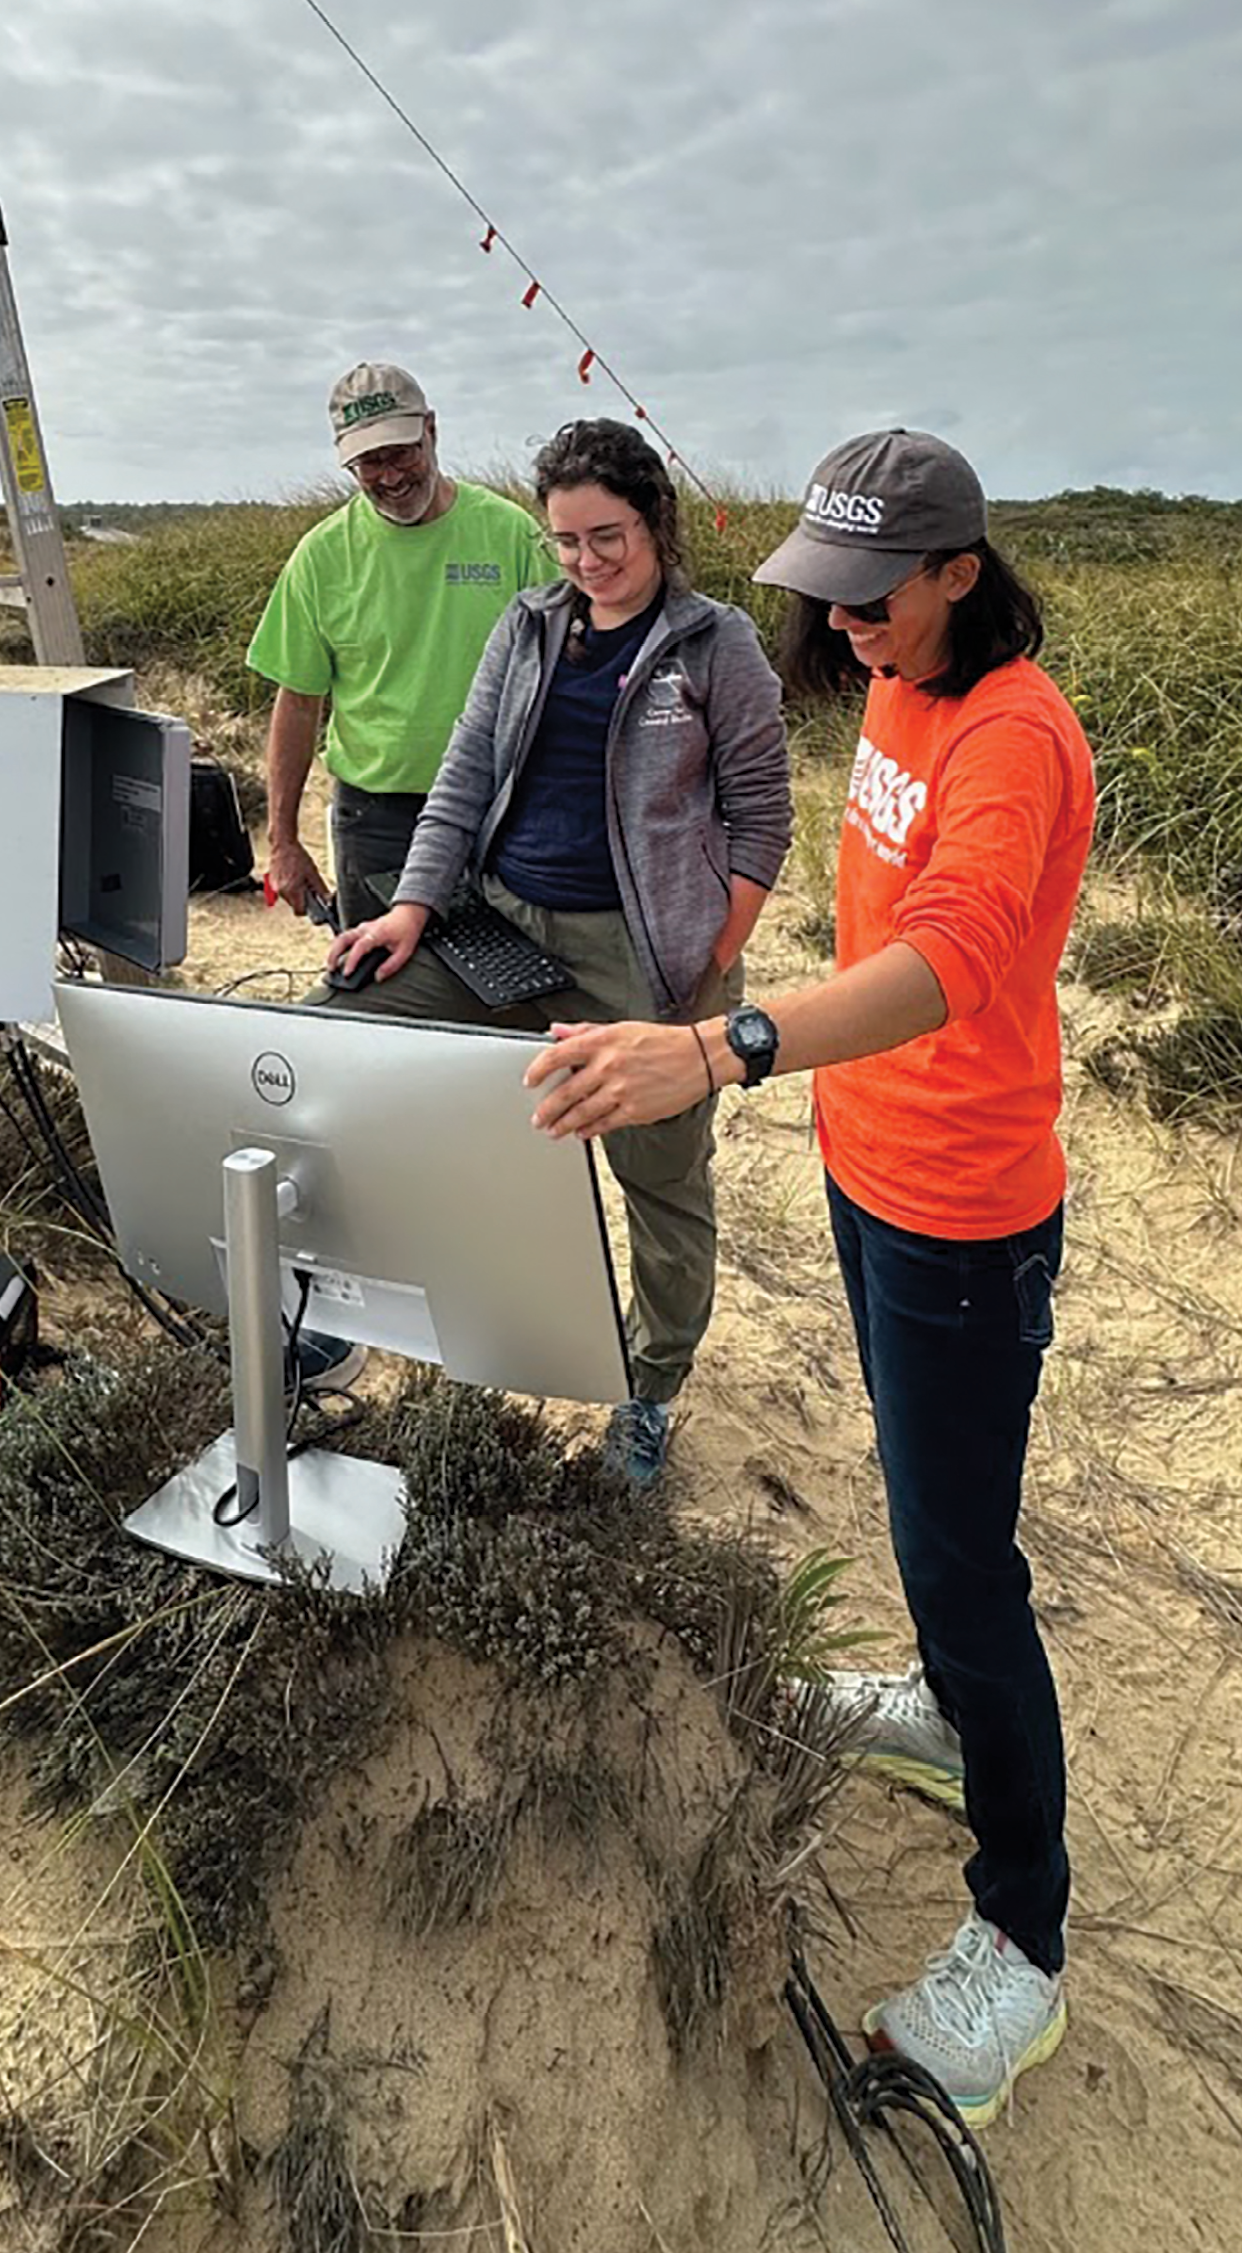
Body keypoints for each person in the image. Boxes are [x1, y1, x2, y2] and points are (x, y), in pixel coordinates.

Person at [521, 427, 1094, 2128]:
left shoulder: (1011, 731)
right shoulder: (906, 695)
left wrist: (723, 1048)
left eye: (871, 598)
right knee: (927, 1509)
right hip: (872, 1170)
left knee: (962, 1556)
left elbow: (952, 960)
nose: (842, 626)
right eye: (822, 597)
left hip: (968, 1215)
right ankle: (931, 1705)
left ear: (957, 576)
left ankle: (1025, 1938)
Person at [328, 415, 793, 1485]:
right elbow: (464, 777)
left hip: (644, 954)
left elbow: (764, 817)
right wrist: (411, 909)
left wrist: (705, 962)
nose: (587, 563)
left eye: (608, 539)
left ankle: (651, 1386)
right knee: (343, 1030)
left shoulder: (716, 645)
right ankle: (366, 1309)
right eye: (567, 542)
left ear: (658, 523)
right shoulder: (529, 625)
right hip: (498, 925)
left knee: (660, 1175)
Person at [249, 362, 548, 929]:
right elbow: (298, 702)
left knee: (511, 988)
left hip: (501, 809)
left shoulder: (511, 535)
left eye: (400, 453)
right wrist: (283, 841)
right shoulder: (322, 556)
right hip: (377, 820)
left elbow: (562, 672)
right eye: (368, 462)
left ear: (431, 430)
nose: (388, 476)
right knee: (383, 992)